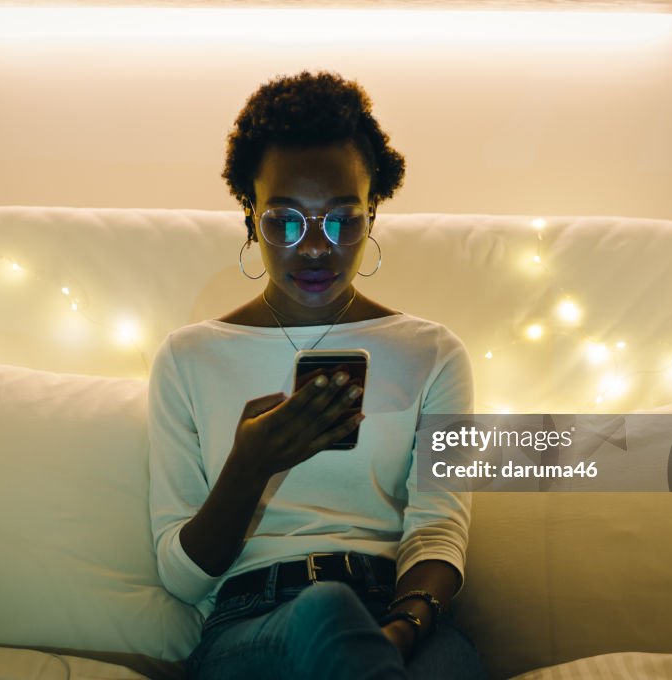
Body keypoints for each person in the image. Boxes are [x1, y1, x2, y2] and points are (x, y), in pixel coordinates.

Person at [147, 71, 486, 679]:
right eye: (284, 220)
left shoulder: (433, 353)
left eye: (341, 219)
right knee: (324, 610)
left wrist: (402, 630)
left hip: (399, 611)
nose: (313, 247)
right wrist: (250, 466)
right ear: (250, 215)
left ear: (372, 213)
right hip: (253, 624)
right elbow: (180, 575)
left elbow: (437, 532)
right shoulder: (189, 358)